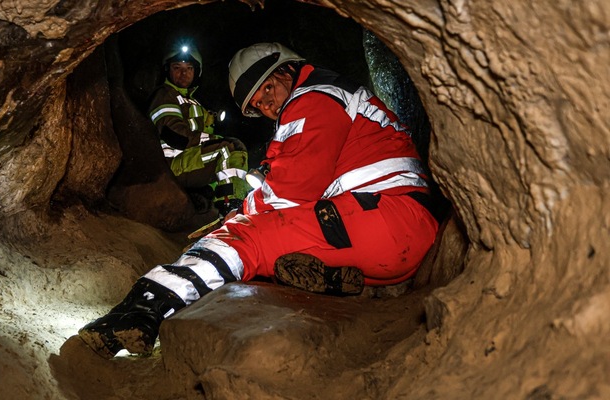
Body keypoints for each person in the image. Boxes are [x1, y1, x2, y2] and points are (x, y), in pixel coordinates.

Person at [78, 42, 440, 359]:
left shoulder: (313, 98)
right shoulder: (331, 95)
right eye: (257, 104)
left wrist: (238, 216)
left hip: (381, 218)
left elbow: (291, 191)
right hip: (382, 233)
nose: (266, 105)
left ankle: (142, 309)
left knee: (245, 237)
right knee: (274, 244)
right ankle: (330, 280)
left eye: (267, 90)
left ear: (287, 70)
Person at [148, 42, 251, 217]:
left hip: (189, 160)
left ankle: (216, 200)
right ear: (168, 70)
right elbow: (176, 136)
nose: (183, 73)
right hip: (173, 163)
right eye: (177, 67)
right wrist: (215, 139)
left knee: (228, 156)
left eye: (189, 68)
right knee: (228, 150)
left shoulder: (193, 102)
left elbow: (202, 142)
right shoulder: (166, 95)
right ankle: (231, 207)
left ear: (196, 72)